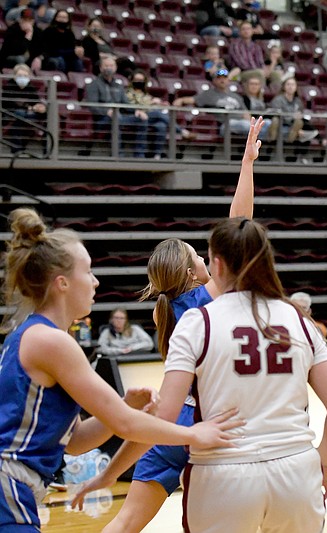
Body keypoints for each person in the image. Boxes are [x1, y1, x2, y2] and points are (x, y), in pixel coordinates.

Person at [69, 119, 266, 532]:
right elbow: (240, 225)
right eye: (197, 254)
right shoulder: (206, 297)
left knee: (125, 522)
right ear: (193, 270)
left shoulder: (166, 309)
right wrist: (247, 164)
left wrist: (107, 476)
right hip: (211, 425)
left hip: (171, 421)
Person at [0, 207, 243, 531]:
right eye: (88, 272)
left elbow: (74, 441)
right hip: (8, 482)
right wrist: (192, 433)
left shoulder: (36, 334)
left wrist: (126, 407)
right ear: (62, 283)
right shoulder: (51, 342)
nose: (96, 281)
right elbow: (126, 424)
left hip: (18, 486)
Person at [149, 215, 327, 531]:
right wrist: (323, 462)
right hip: (296, 470)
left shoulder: (196, 322)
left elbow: (165, 418)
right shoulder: (299, 320)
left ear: (216, 265)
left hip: (224, 472)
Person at [174, 68, 271, 141]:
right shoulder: (209, 94)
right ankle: (263, 136)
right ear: (214, 80)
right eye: (219, 78)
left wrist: (251, 122)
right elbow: (193, 99)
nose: (222, 80)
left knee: (267, 123)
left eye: (225, 78)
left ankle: (261, 135)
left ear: (228, 80)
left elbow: (245, 112)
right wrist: (181, 99)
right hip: (226, 124)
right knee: (245, 125)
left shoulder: (236, 96)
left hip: (243, 122)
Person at [84, 56, 148, 158]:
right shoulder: (94, 84)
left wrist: (137, 110)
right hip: (102, 119)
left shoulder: (118, 85)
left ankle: (139, 154)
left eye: (111, 65)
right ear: (101, 68)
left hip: (119, 116)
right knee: (116, 118)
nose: (109, 68)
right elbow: (92, 106)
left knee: (141, 119)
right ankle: (119, 154)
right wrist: (106, 112)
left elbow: (125, 104)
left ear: (115, 68)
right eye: (106, 66)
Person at [126, 69, 196, 159]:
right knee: (158, 114)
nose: (139, 82)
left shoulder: (145, 94)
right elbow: (133, 107)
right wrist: (151, 103)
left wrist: (159, 104)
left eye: (141, 80)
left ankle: (157, 155)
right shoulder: (128, 93)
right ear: (131, 80)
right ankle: (182, 131)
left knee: (161, 125)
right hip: (136, 117)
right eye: (137, 80)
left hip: (149, 117)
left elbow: (148, 105)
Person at [0, 63, 47, 152]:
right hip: (9, 115)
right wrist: (29, 108)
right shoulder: (9, 86)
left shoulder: (30, 87)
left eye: (25, 76)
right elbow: (8, 104)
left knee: (47, 114)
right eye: (20, 75)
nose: (23, 78)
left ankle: (46, 148)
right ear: (14, 76)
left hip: (28, 115)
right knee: (20, 114)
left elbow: (35, 102)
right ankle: (16, 147)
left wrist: (40, 108)